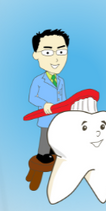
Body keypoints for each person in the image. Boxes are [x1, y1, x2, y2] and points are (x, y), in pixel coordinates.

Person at [26, 29, 71, 189]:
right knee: (45, 137)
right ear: (36, 55)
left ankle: (55, 152)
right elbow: (32, 98)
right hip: (46, 117)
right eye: (47, 52)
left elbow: (64, 98)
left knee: (57, 137)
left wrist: (66, 109)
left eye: (61, 51)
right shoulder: (39, 80)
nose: (55, 58)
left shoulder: (61, 81)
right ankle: (43, 155)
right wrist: (44, 105)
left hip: (59, 117)